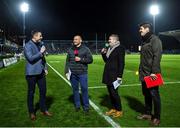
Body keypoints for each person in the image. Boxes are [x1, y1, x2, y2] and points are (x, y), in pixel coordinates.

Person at [137, 22, 162, 126]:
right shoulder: (144, 41)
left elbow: (157, 56)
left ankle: (157, 117)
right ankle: (148, 113)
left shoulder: (155, 39)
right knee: (146, 94)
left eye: (141, 28)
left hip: (151, 73)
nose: (140, 30)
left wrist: (154, 73)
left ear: (147, 29)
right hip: (144, 73)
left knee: (154, 95)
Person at [24, 30, 52, 120]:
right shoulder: (28, 45)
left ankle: (43, 109)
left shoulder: (40, 45)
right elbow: (31, 58)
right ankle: (31, 112)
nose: (41, 37)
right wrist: (41, 52)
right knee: (31, 93)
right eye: (40, 36)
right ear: (35, 36)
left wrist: (46, 68)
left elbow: (43, 59)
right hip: (31, 73)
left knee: (43, 91)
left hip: (41, 72)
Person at [65, 35, 93, 113]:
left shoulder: (85, 49)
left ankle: (86, 107)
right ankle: (77, 105)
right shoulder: (70, 49)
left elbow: (90, 60)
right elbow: (67, 61)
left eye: (76, 39)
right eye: (74, 39)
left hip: (82, 73)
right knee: (75, 90)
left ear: (81, 40)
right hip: (73, 73)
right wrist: (66, 71)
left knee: (84, 89)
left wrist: (81, 59)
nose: (74, 40)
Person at [101, 34, 125, 118]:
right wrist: (103, 54)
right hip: (108, 74)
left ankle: (119, 110)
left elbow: (121, 63)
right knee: (110, 93)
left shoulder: (120, 48)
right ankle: (114, 108)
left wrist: (119, 76)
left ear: (115, 40)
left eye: (110, 39)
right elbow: (106, 61)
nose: (109, 41)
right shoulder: (109, 49)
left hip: (115, 75)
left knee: (114, 93)